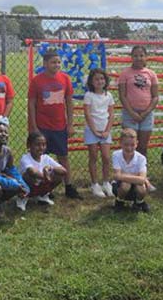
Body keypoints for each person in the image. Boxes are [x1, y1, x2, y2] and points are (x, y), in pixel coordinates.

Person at [28, 50, 81, 199]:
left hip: (59, 126)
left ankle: (68, 186)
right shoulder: (37, 81)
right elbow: (31, 104)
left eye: (58, 62)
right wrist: (33, 126)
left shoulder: (65, 78)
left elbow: (69, 102)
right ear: (45, 64)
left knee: (63, 156)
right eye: (53, 62)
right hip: (42, 125)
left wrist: (70, 124)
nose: (56, 65)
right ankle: (44, 188)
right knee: (41, 157)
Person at [118, 45, 159, 156]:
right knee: (129, 145)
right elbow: (122, 96)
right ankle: (127, 170)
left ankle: (141, 170)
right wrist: (132, 113)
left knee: (142, 146)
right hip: (130, 113)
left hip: (147, 114)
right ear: (131, 57)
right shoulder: (125, 73)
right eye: (135, 55)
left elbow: (155, 97)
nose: (138, 58)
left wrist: (146, 112)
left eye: (141, 55)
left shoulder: (151, 74)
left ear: (146, 57)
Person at [17, 131, 67, 211]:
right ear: (29, 145)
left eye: (44, 145)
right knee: (28, 176)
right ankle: (23, 197)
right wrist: (46, 177)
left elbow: (64, 171)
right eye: (37, 145)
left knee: (59, 176)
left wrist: (51, 168)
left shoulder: (46, 158)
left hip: (41, 182)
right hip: (27, 184)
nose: (41, 147)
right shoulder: (25, 158)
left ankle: (42, 195)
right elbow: (32, 171)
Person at [84, 68, 115, 198]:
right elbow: (87, 113)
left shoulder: (108, 95)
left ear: (106, 80)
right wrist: (94, 130)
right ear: (91, 81)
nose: (99, 81)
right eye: (96, 79)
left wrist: (107, 130)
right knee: (93, 156)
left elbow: (111, 114)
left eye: (102, 78)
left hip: (105, 131)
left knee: (106, 157)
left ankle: (106, 182)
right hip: (92, 130)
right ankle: (95, 184)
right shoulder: (89, 96)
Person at [111, 128, 150, 213]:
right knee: (126, 185)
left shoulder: (141, 158)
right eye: (126, 145)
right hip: (120, 186)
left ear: (137, 144)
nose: (129, 148)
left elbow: (142, 179)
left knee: (141, 187)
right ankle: (119, 202)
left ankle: (139, 203)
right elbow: (117, 176)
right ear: (120, 143)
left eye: (132, 145)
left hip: (135, 185)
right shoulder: (116, 155)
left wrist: (122, 175)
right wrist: (138, 177)